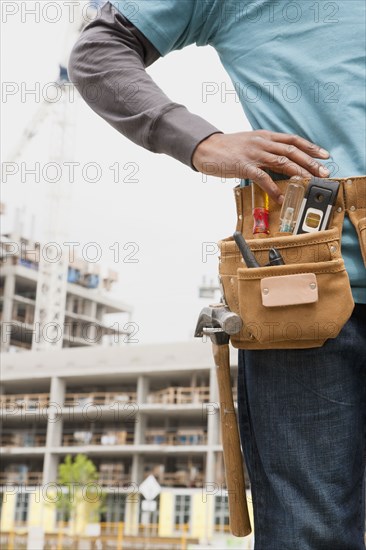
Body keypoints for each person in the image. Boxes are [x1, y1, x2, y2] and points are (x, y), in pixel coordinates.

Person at [68, 1, 366, 547]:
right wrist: (199, 140)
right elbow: (98, 52)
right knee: (311, 533)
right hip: (307, 295)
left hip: (304, 292)